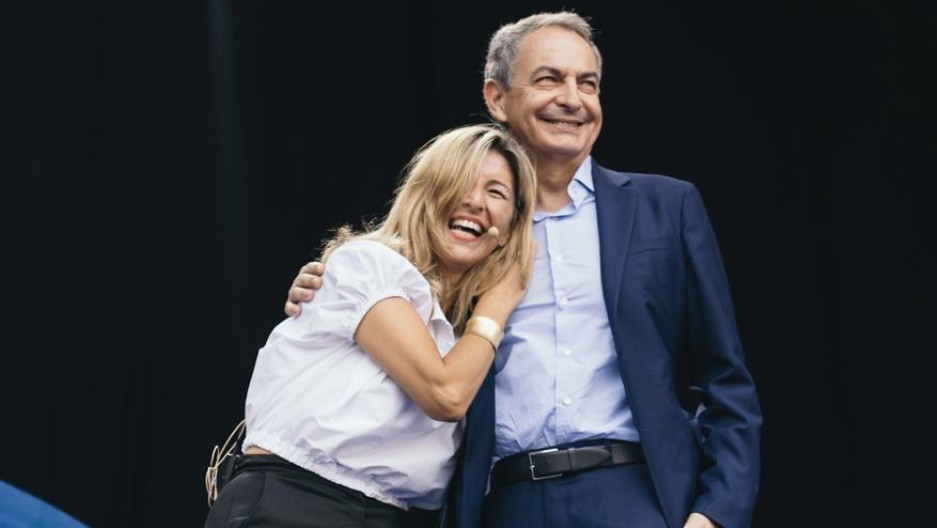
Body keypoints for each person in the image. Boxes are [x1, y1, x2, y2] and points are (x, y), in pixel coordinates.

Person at [286, 12, 762, 528]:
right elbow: (386, 300)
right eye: (548, 79)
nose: (572, 99)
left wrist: (714, 514)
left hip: (637, 494)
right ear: (496, 98)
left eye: (588, 84)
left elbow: (725, 381)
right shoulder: (464, 230)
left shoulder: (666, 208)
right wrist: (323, 288)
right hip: (505, 501)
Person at [206, 124, 537, 528]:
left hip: (384, 515)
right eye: (459, 181)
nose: (473, 200)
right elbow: (445, 394)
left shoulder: (461, 343)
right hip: (298, 502)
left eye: (496, 192)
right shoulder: (367, 264)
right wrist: (498, 304)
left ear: (509, 229)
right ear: (424, 195)